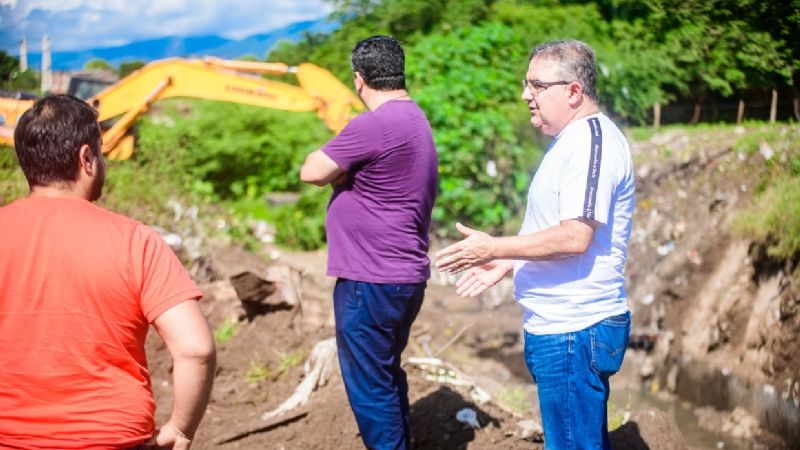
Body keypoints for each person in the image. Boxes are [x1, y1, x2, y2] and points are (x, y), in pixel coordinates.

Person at [436, 40, 635, 450]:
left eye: (537, 86)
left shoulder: (589, 144)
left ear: (574, 91)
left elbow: (575, 236)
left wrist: (494, 248)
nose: (526, 95)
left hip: (574, 328)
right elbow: (556, 227)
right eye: (527, 84)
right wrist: (508, 261)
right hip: (564, 328)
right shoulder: (571, 140)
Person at [0, 95, 216, 450]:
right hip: (111, 437)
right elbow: (195, 349)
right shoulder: (136, 241)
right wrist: (180, 430)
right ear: (86, 158)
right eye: (101, 155)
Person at [300, 35, 438, 450]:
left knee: (370, 386)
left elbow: (312, 171)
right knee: (385, 373)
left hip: (370, 278)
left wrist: (341, 174)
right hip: (401, 275)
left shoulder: (373, 124)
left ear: (359, 79)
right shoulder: (414, 118)